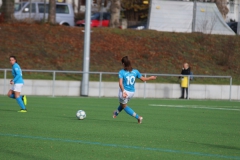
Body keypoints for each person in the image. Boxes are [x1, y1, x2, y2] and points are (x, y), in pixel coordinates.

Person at [113, 56, 157, 124]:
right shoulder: (135, 71)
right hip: (132, 92)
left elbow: (120, 84)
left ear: (123, 64)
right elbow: (143, 79)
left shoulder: (121, 72)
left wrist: (123, 91)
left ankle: (138, 117)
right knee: (122, 103)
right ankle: (115, 114)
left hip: (124, 91)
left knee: (124, 106)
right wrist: (150, 78)